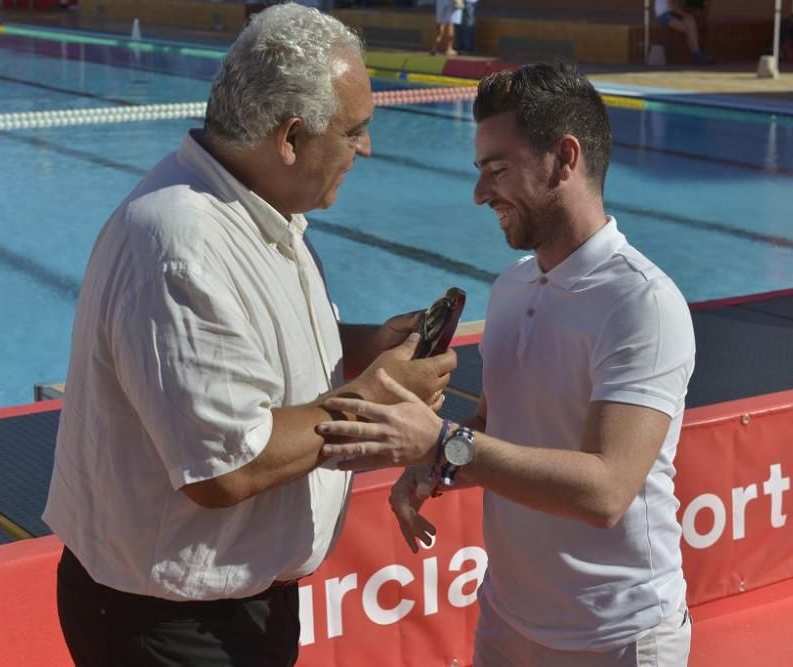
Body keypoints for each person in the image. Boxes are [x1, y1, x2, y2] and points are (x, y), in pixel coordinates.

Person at [42, 4, 455, 666]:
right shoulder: (180, 244)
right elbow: (225, 465)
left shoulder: (258, 213)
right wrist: (373, 402)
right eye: (354, 131)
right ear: (290, 136)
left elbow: (248, 349)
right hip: (172, 626)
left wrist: (365, 343)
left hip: (231, 608)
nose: (366, 149)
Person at [317, 63, 696, 666]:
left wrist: (441, 443)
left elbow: (606, 490)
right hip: (507, 617)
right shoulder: (514, 287)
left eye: (498, 169)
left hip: (617, 636)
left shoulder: (641, 303)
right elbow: (497, 432)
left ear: (564, 158)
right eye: (480, 171)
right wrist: (434, 468)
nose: (480, 192)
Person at [655, 0, 712, 65]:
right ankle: (698, 55)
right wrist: (686, 15)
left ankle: (698, 55)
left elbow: (676, 5)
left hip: (671, 13)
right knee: (690, 29)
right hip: (664, 15)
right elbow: (672, 6)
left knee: (690, 22)